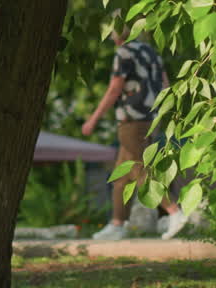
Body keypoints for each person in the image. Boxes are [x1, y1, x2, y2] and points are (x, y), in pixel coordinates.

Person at [81, 26, 189, 241]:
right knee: (121, 175)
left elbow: (114, 88)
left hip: (131, 121)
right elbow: (165, 84)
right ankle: (117, 225)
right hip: (151, 118)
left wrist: (93, 119)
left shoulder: (123, 53)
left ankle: (175, 212)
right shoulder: (150, 51)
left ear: (114, 35)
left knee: (139, 168)